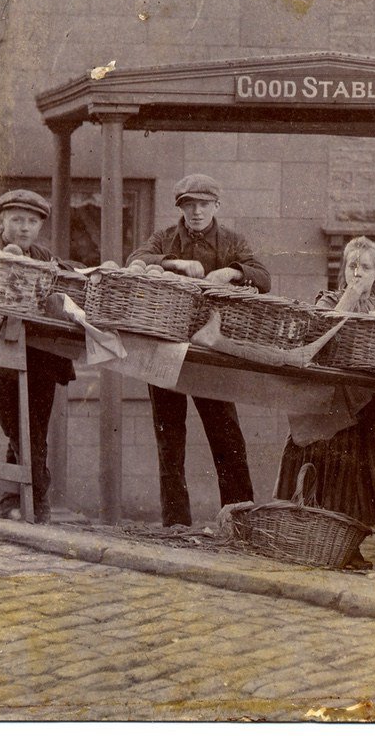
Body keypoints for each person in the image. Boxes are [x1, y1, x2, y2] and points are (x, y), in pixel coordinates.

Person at [127, 174, 271, 526]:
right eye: (188, 205)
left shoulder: (232, 242)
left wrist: (233, 273)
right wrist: (173, 263)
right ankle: (175, 524)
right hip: (164, 351)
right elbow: (135, 259)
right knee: (169, 441)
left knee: (227, 437)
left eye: (203, 204)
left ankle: (239, 522)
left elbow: (264, 277)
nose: (195, 211)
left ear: (216, 206)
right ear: (180, 208)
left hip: (211, 357)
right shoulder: (164, 238)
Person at [274, 238, 375, 559]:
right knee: (332, 474)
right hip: (331, 403)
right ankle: (322, 542)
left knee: (363, 479)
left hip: (369, 404)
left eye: (365, 267)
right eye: (352, 266)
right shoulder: (328, 300)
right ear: (343, 270)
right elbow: (320, 333)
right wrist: (351, 296)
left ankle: (352, 548)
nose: (357, 273)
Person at [0, 190, 78, 523]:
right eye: (16, 220)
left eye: (32, 222)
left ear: (40, 226)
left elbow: (67, 287)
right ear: (2, 220)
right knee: (16, 427)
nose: (24, 228)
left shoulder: (47, 258)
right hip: (0, 356)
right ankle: (37, 496)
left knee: (34, 429)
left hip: (41, 356)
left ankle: (15, 502)